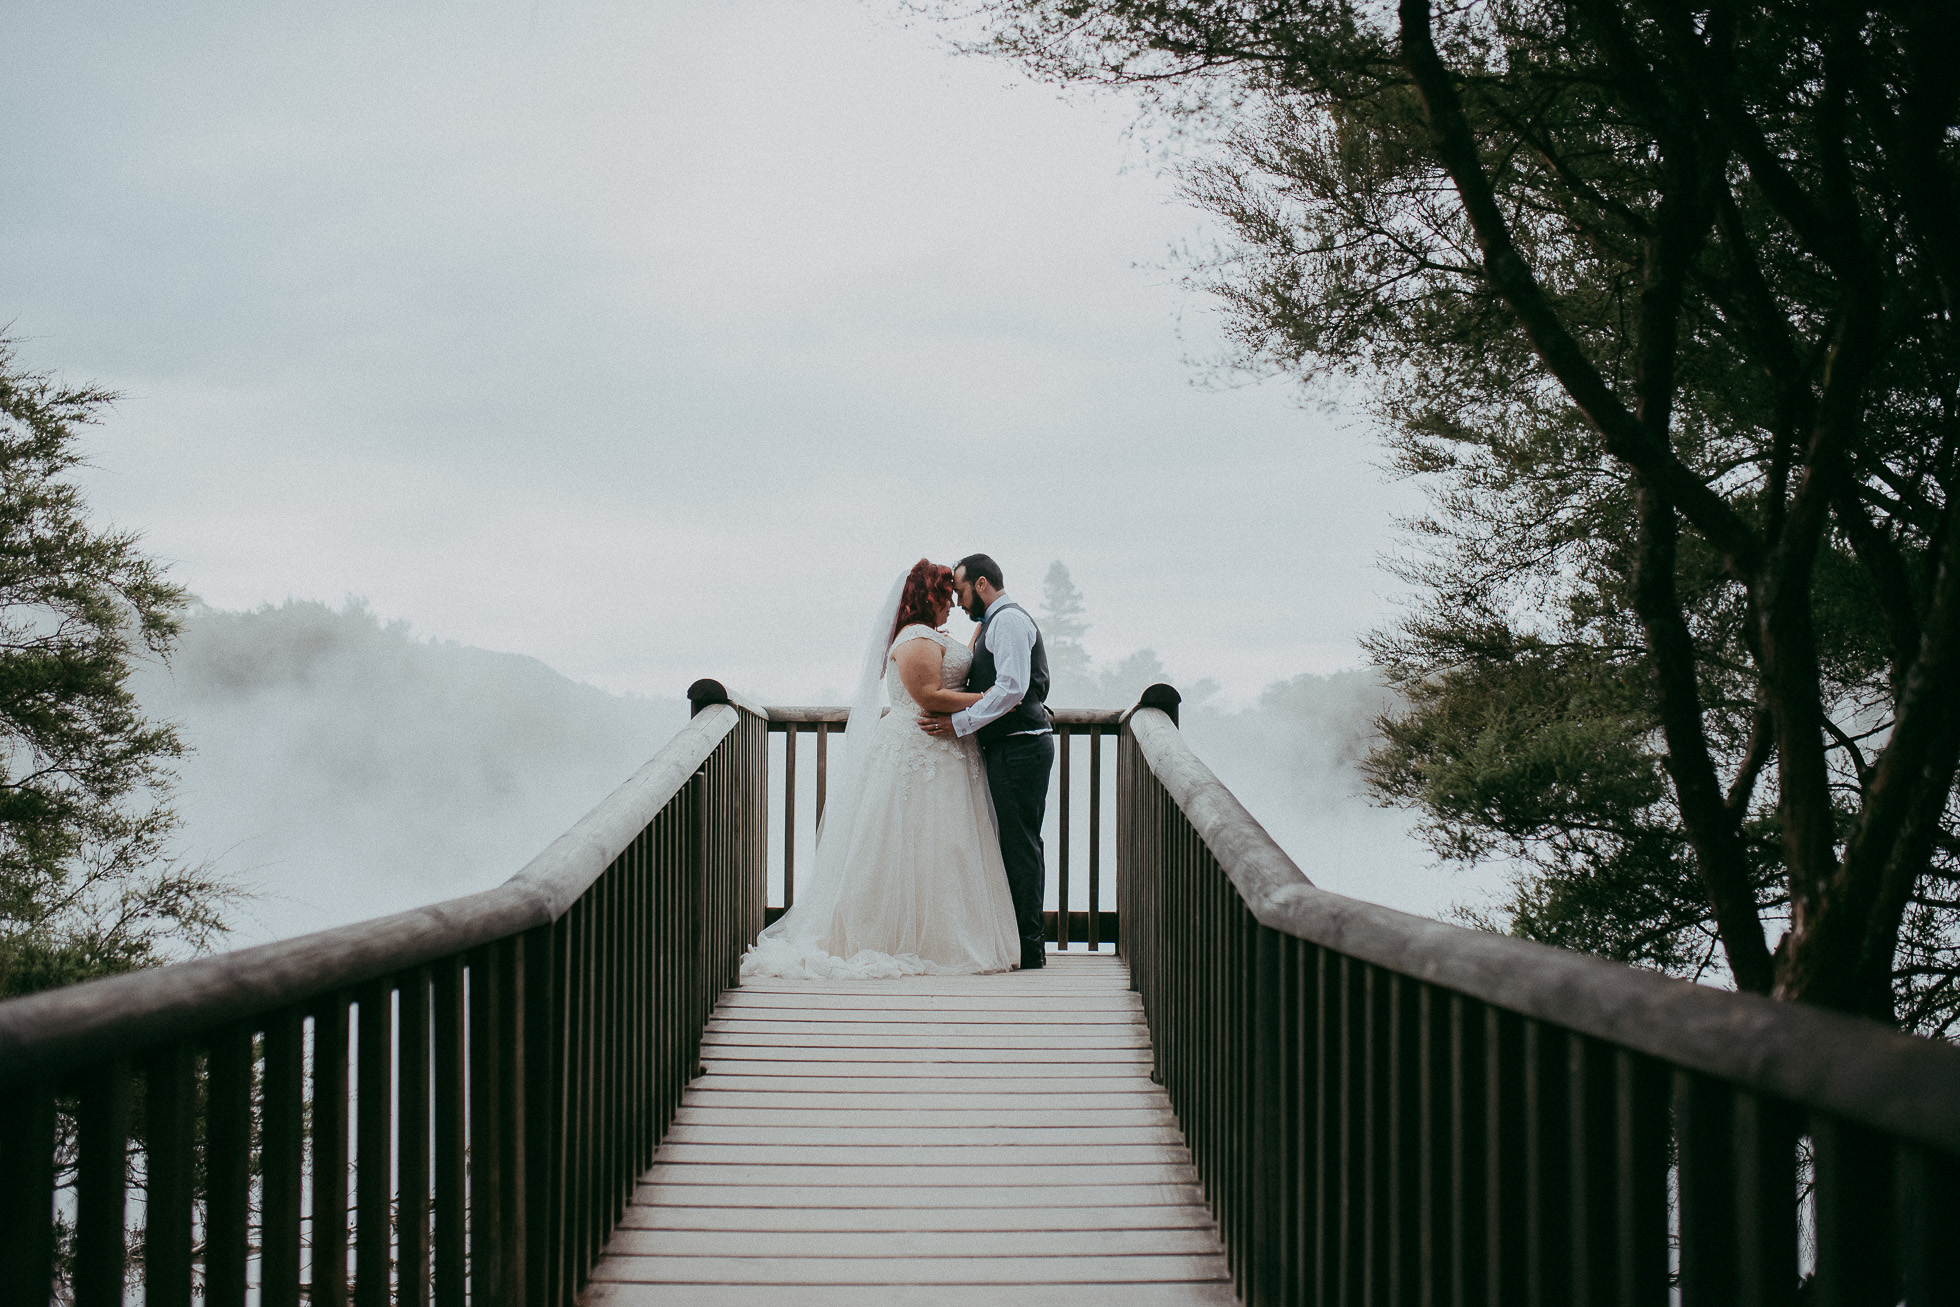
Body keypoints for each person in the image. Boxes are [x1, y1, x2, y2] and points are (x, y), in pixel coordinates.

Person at [740, 560, 1021, 978]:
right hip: (917, 748)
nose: (952, 605)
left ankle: (947, 936)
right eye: (945, 597)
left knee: (947, 849)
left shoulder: (934, 636)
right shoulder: (914, 638)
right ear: (928, 598)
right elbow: (928, 694)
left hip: (946, 750)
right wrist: (994, 697)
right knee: (905, 846)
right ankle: (896, 939)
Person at [917, 553, 1054, 971]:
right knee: (1012, 842)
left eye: (958, 590)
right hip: (1010, 745)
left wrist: (959, 722)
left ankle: (1030, 948)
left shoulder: (1008, 620)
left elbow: (1012, 687)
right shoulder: (992, 624)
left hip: (1020, 747)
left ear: (980, 584)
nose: (956, 601)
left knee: (1020, 845)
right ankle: (1018, 941)